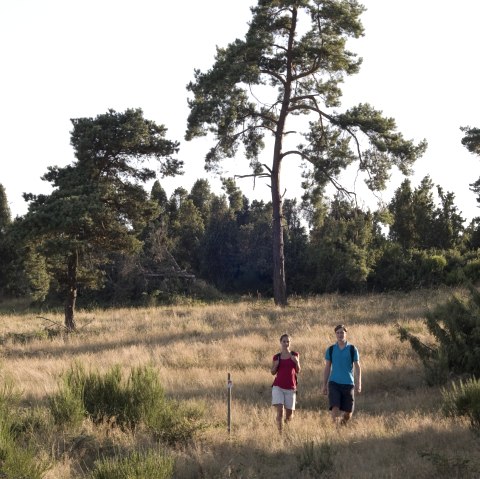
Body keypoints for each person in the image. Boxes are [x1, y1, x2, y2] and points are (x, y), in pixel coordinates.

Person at [322, 324, 361, 427]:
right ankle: (335, 429)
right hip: (334, 383)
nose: (340, 335)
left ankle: (342, 425)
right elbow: (327, 368)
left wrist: (359, 384)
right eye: (338, 333)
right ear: (335, 334)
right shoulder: (331, 349)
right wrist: (324, 384)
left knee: (348, 412)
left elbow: (357, 367)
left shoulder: (352, 349)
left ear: (346, 333)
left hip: (348, 383)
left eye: (342, 332)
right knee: (335, 406)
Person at [271, 333, 301, 432]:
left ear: (290, 343)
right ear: (280, 342)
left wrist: (296, 362)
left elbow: (298, 370)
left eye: (288, 341)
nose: (286, 343)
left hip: (291, 387)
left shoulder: (295, 355)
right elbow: (272, 372)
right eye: (284, 341)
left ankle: (286, 430)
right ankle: (280, 433)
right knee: (280, 411)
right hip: (278, 386)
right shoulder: (277, 357)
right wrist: (276, 365)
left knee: (289, 415)